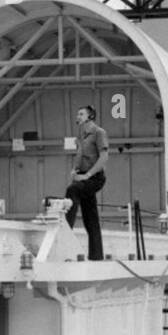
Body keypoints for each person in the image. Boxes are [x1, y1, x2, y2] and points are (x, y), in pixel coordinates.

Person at [65, 105, 108, 261]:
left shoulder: (98, 133)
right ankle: (96, 256)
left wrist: (88, 175)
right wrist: (75, 170)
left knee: (73, 190)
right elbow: (80, 156)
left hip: (95, 177)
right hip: (83, 176)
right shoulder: (82, 136)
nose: (78, 116)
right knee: (91, 217)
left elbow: (104, 158)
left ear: (90, 116)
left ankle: (65, 230)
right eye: (77, 113)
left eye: (81, 113)